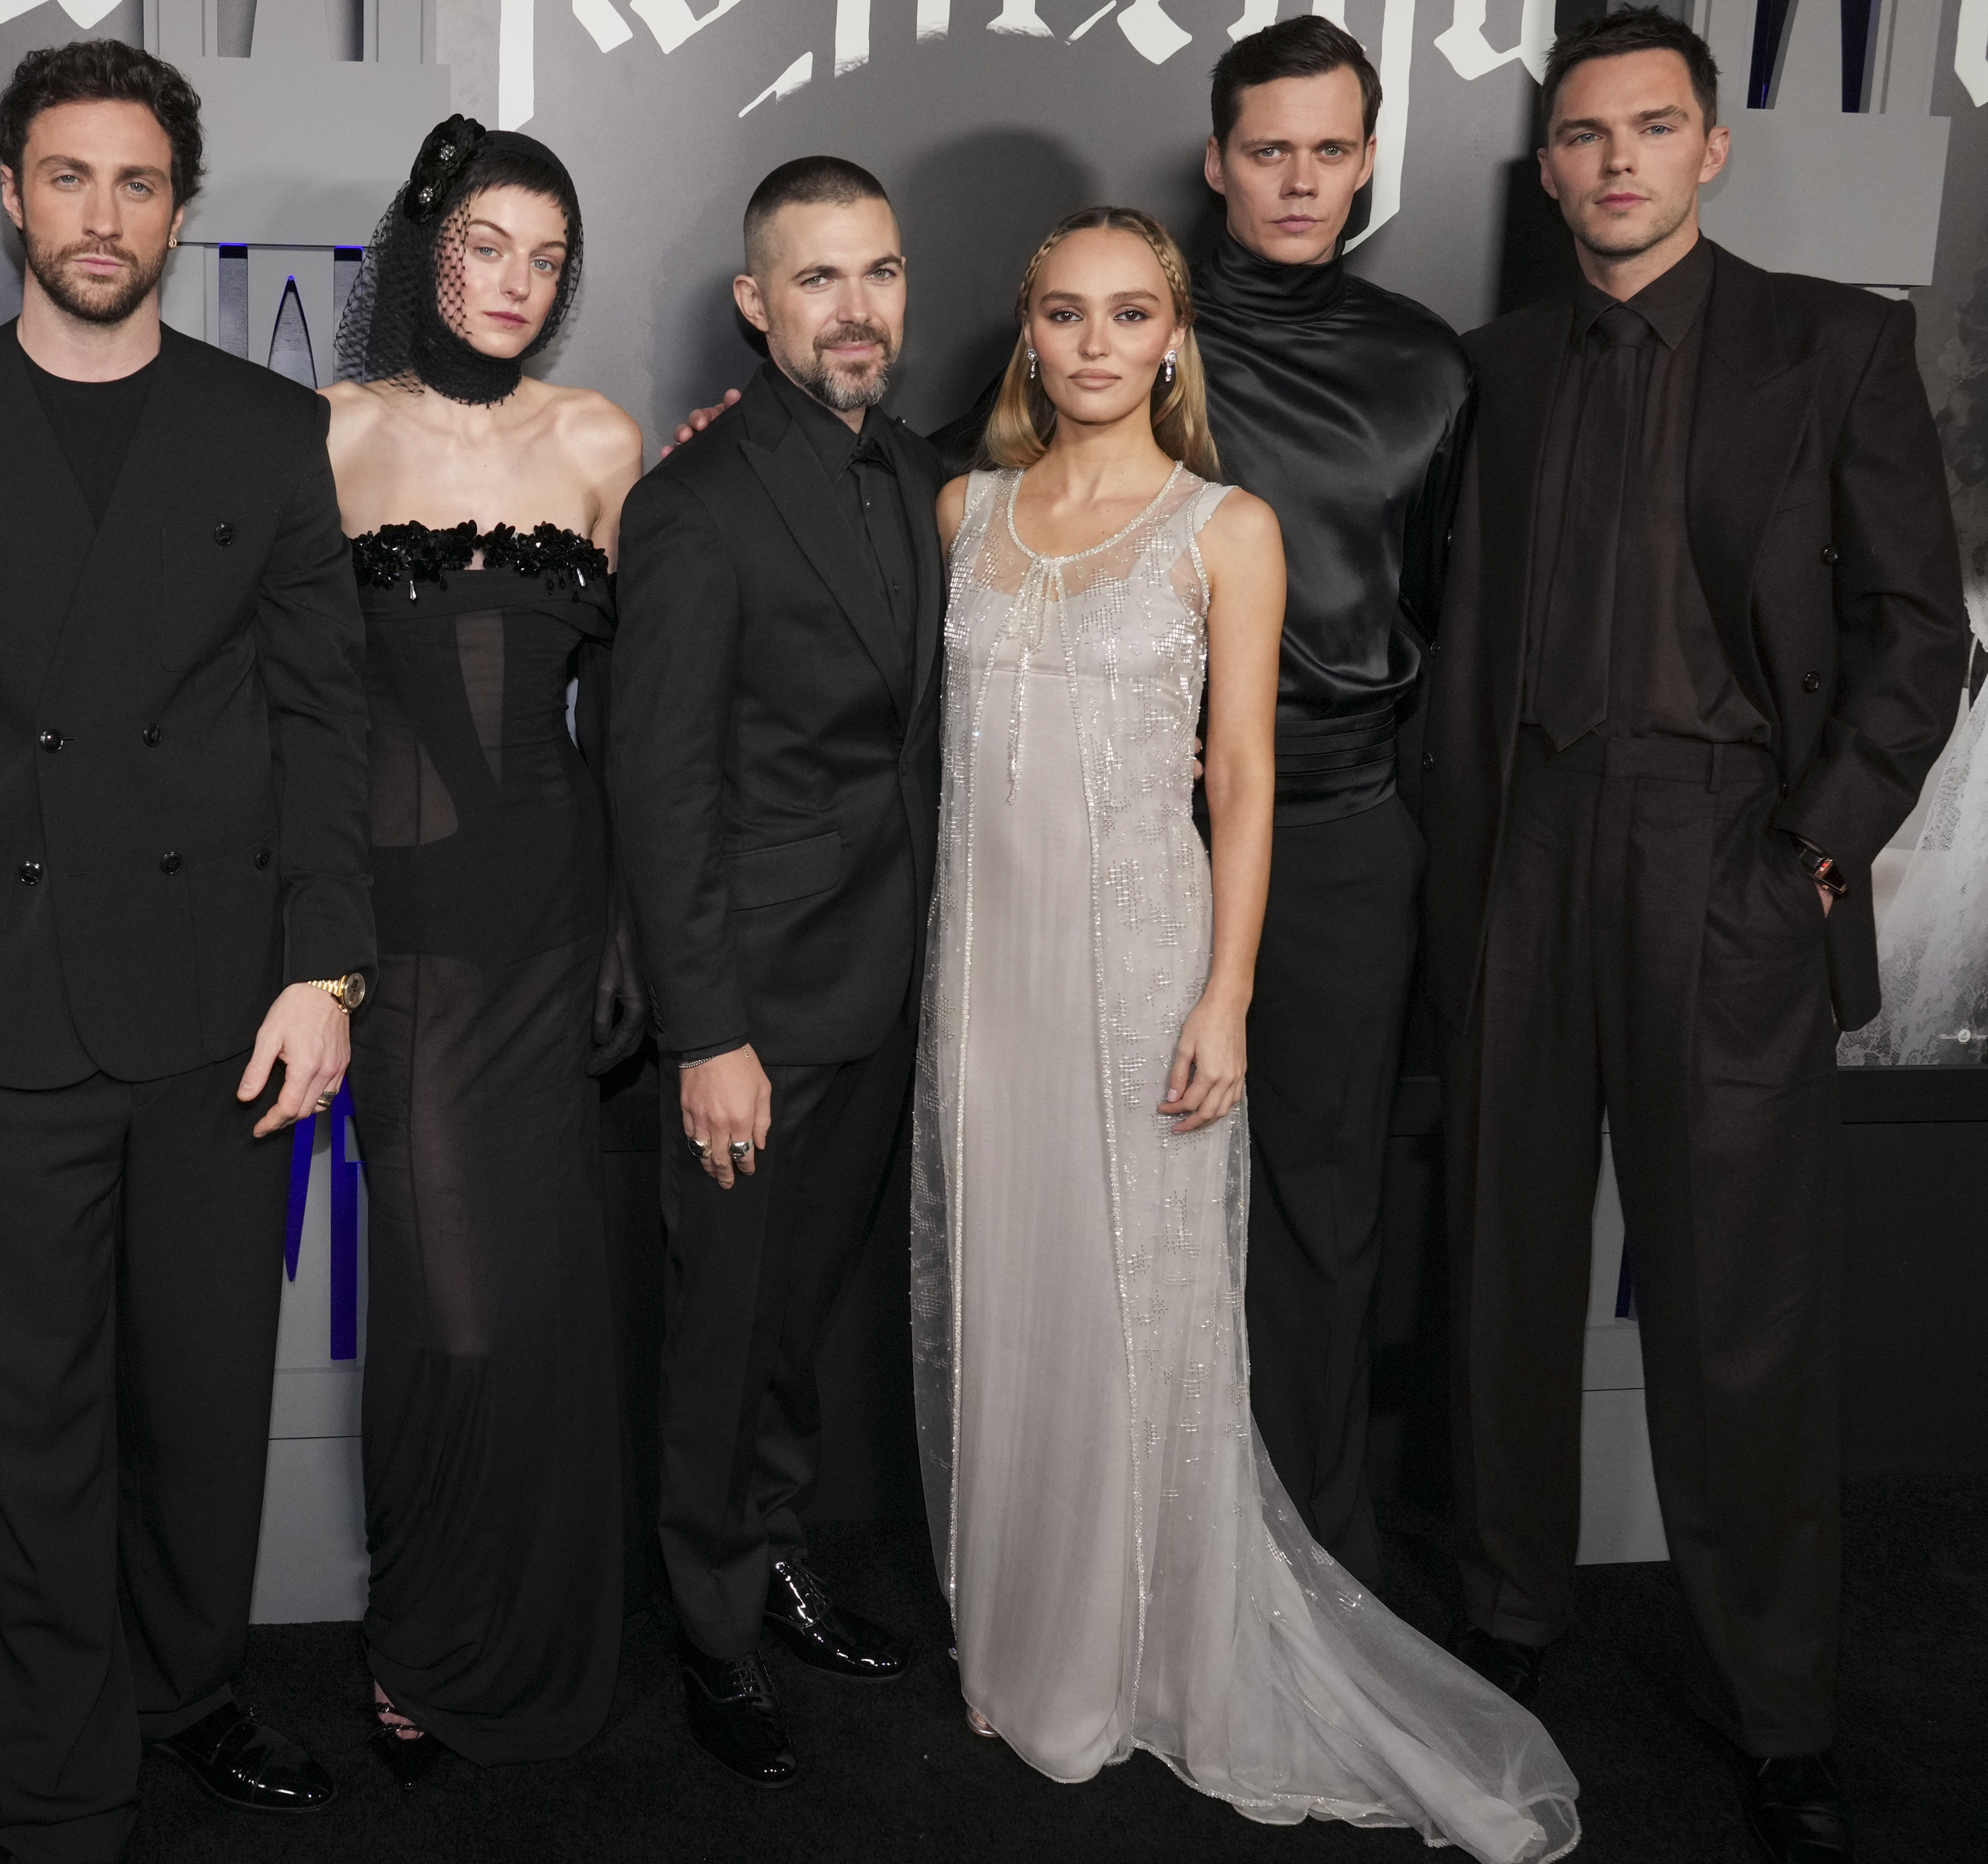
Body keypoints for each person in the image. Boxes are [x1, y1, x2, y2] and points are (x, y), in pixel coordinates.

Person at [916, 205, 1578, 1859]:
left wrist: (1225, 988)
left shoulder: (1227, 525)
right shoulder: (963, 509)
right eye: (1062, 312)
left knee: (1142, 1303)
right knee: (1016, 1283)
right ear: (1026, 332)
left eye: (1127, 312)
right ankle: (1023, 1627)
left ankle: (1138, 1639)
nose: (1092, 342)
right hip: (985, 961)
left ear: (1170, 338)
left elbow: (1241, 776)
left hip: (1146, 952)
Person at [0, 40, 373, 1862]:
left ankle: (186, 1689)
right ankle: (52, 1769)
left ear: (179, 209)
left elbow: (322, 719)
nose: (101, 214)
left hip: (221, 1008)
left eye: (135, 183)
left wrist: (325, 967)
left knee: (200, 1404)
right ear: (8, 193)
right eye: (67, 177)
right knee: (20, 1421)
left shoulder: (269, 429)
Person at [1423, 7, 1964, 1864]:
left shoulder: (1833, 343)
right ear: (1552, 166)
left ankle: (1782, 1709)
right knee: (1499, 1264)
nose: (1617, 161)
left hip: (1725, 853)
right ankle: (1509, 1625)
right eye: (1583, 135)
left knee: (1741, 1307)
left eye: (1651, 127)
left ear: (1708, 148)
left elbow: (1918, 632)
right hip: (1522, 849)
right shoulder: (1489, 368)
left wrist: (1811, 847)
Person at [321, 115, 645, 1782]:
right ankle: (428, 1635)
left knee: (543, 1295)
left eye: (547, 254)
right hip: (404, 935)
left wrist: (639, 928)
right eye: (487, 245)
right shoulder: (326, 432)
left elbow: (650, 708)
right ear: (423, 248)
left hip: (557, 911)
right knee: (447, 1299)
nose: (518, 280)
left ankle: (529, 1627)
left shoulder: (603, 440)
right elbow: (283, 708)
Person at [607, 157, 938, 1789]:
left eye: (876, 272)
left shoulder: (936, 476)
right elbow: (657, 793)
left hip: (888, 992)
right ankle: (712, 1626)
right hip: (754, 1010)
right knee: (723, 1332)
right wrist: (707, 1032)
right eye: (817, 279)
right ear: (756, 303)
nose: (855, 306)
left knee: (798, 1319)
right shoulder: (696, 501)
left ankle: (777, 1545)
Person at [1181, 16, 1469, 1585]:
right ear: (1214, 160)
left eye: (1332, 150)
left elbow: (1441, 614)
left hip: (1346, 829)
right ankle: (1140, 1548)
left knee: (1320, 1207)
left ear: (1367, 163)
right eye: (1269, 149)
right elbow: (962, 511)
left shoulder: (1426, 364)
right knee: (1128, 1192)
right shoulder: (1123, 326)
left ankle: (1304, 1560)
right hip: (1143, 827)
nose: (1300, 180)